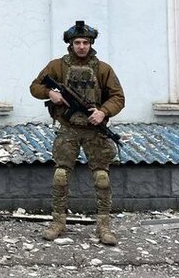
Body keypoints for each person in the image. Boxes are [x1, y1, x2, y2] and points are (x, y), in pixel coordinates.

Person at [29, 20, 125, 246]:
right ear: (71, 44)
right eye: (77, 43)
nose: (81, 47)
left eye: (85, 43)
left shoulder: (103, 69)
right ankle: (58, 222)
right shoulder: (57, 66)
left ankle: (103, 226)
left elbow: (118, 97)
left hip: (94, 131)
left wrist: (103, 112)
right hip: (68, 128)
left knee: (102, 177)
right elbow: (35, 87)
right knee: (61, 175)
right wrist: (50, 93)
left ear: (91, 44)